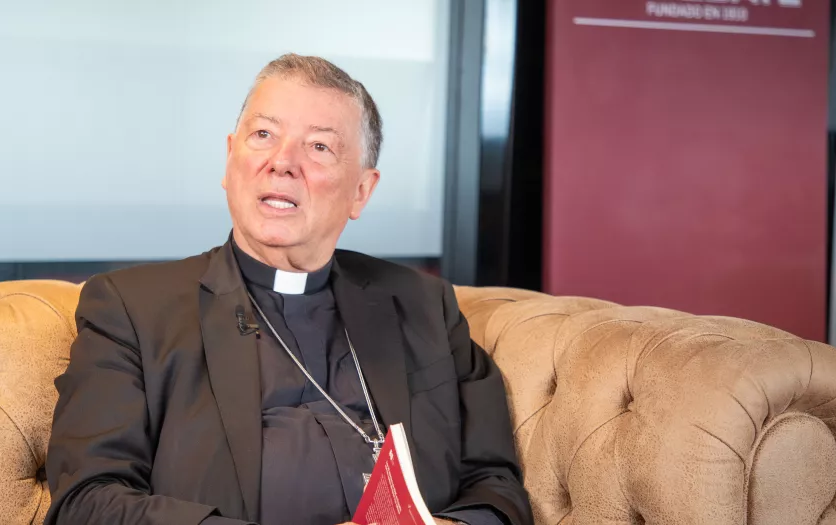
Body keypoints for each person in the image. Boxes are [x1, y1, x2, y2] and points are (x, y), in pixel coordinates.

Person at [45, 53, 532, 525]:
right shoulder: (132, 309)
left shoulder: (425, 306)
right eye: (263, 135)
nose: (282, 162)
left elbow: (495, 486)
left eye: (319, 147)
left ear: (361, 191)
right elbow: (87, 501)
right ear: (229, 160)